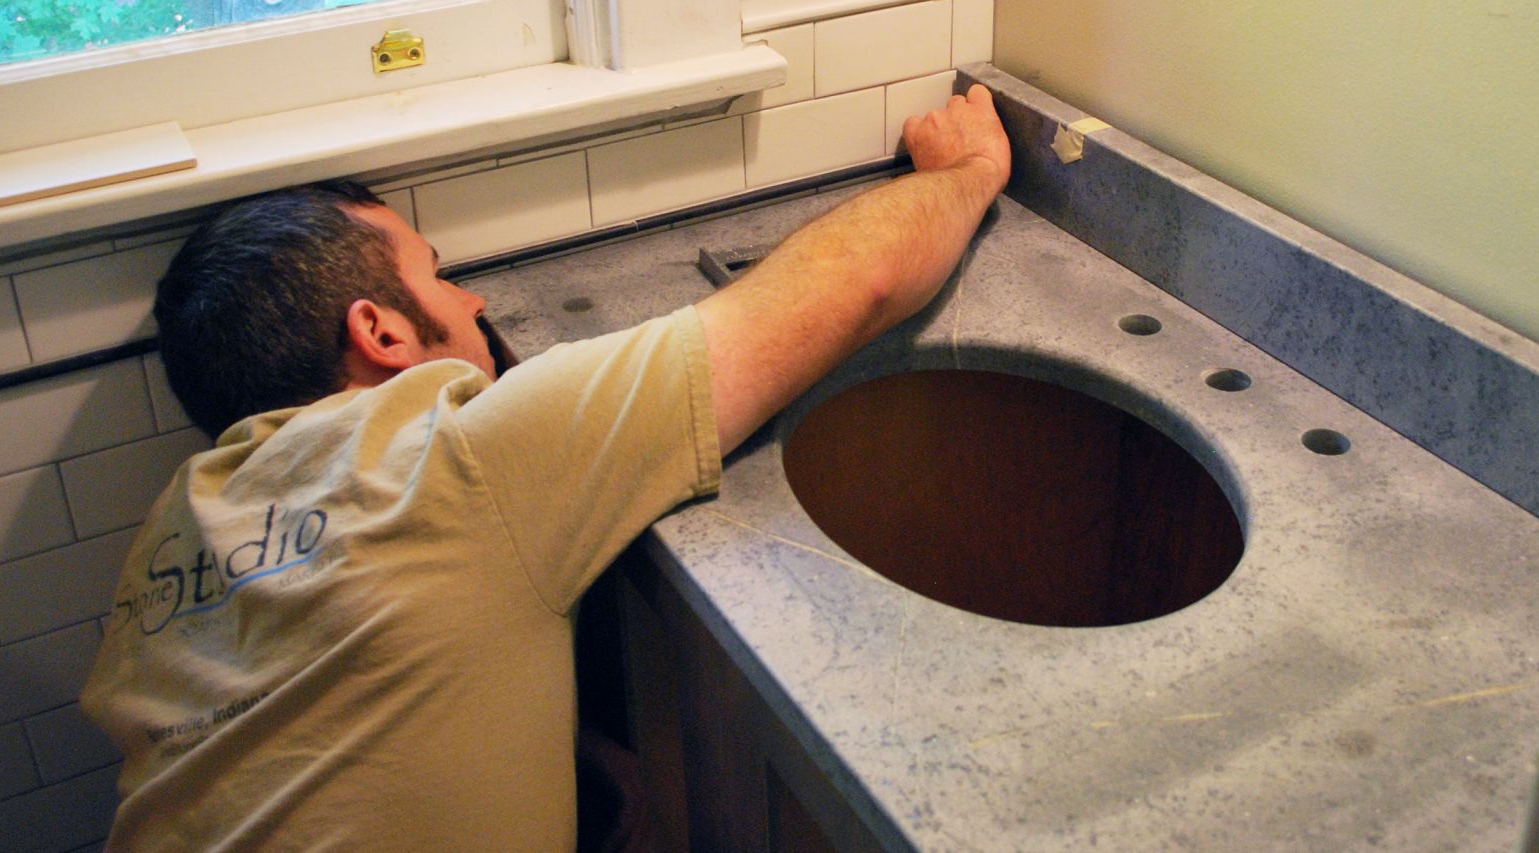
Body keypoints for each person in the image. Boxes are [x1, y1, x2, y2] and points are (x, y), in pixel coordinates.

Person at [80, 84, 1013, 852]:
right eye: (440, 274)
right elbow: (854, 287)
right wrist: (970, 170)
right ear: (380, 330)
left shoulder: (178, 519)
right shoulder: (457, 460)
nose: (474, 297)